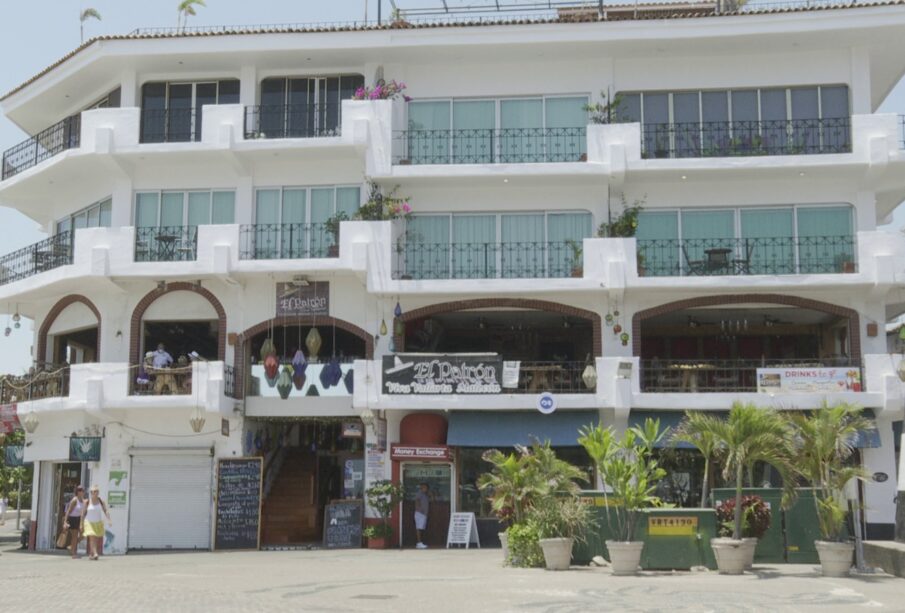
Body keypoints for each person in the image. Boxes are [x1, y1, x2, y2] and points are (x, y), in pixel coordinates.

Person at [80, 485, 110, 561]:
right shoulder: (87, 502)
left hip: (97, 522)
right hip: (88, 522)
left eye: (95, 491)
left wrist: (109, 519)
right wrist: (81, 524)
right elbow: (83, 514)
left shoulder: (101, 501)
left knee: (95, 539)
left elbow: (105, 510)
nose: (93, 493)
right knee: (92, 536)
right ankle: (96, 553)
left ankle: (91, 553)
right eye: (92, 492)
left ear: (98, 492)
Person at [62, 485, 85, 559]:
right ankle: (73, 553)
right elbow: (68, 511)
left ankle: (71, 546)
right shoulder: (75, 500)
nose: (81, 491)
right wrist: (65, 522)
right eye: (80, 490)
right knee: (74, 536)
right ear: (77, 492)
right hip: (72, 519)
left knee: (83, 535)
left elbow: (82, 512)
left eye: (82, 490)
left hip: (79, 519)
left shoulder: (83, 500)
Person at [414, 482, 430, 549]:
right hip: (420, 513)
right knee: (419, 528)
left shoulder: (425, 494)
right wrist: (419, 509)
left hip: (424, 514)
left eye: (426, 488)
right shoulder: (419, 493)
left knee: (422, 528)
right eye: (424, 487)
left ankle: (421, 542)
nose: (425, 489)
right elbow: (417, 501)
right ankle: (419, 543)